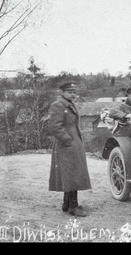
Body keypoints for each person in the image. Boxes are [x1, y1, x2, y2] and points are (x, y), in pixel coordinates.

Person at [48, 80, 91, 217]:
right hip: (67, 144)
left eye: (74, 92)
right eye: (70, 92)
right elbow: (55, 126)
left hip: (74, 143)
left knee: (72, 173)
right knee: (73, 174)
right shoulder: (58, 105)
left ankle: (66, 203)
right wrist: (67, 140)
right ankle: (74, 206)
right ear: (63, 92)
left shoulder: (70, 105)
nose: (73, 95)